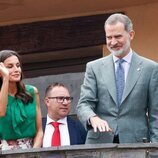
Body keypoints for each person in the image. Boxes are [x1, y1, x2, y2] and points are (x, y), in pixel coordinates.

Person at [77, 13, 158, 144]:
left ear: (131, 35)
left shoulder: (151, 68)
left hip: (136, 145)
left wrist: (155, 149)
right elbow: (84, 104)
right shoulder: (94, 67)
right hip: (100, 144)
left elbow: (156, 115)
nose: (113, 42)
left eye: (118, 36)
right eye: (109, 37)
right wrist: (92, 118)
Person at [0, 50, 43, 150]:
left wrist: (33, 153)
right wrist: (5, 78)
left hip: (32, 151)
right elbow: (1, 112)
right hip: (5, 152)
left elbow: (39, 131)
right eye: (10, 67)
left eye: (18, 65)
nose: (16, 70)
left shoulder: (32, 91)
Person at [42, 82, 87, 147]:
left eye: (68, 99)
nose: (65, 102)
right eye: (60, 98)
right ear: (47, 101)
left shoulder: (80, 128)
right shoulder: (36, 128)